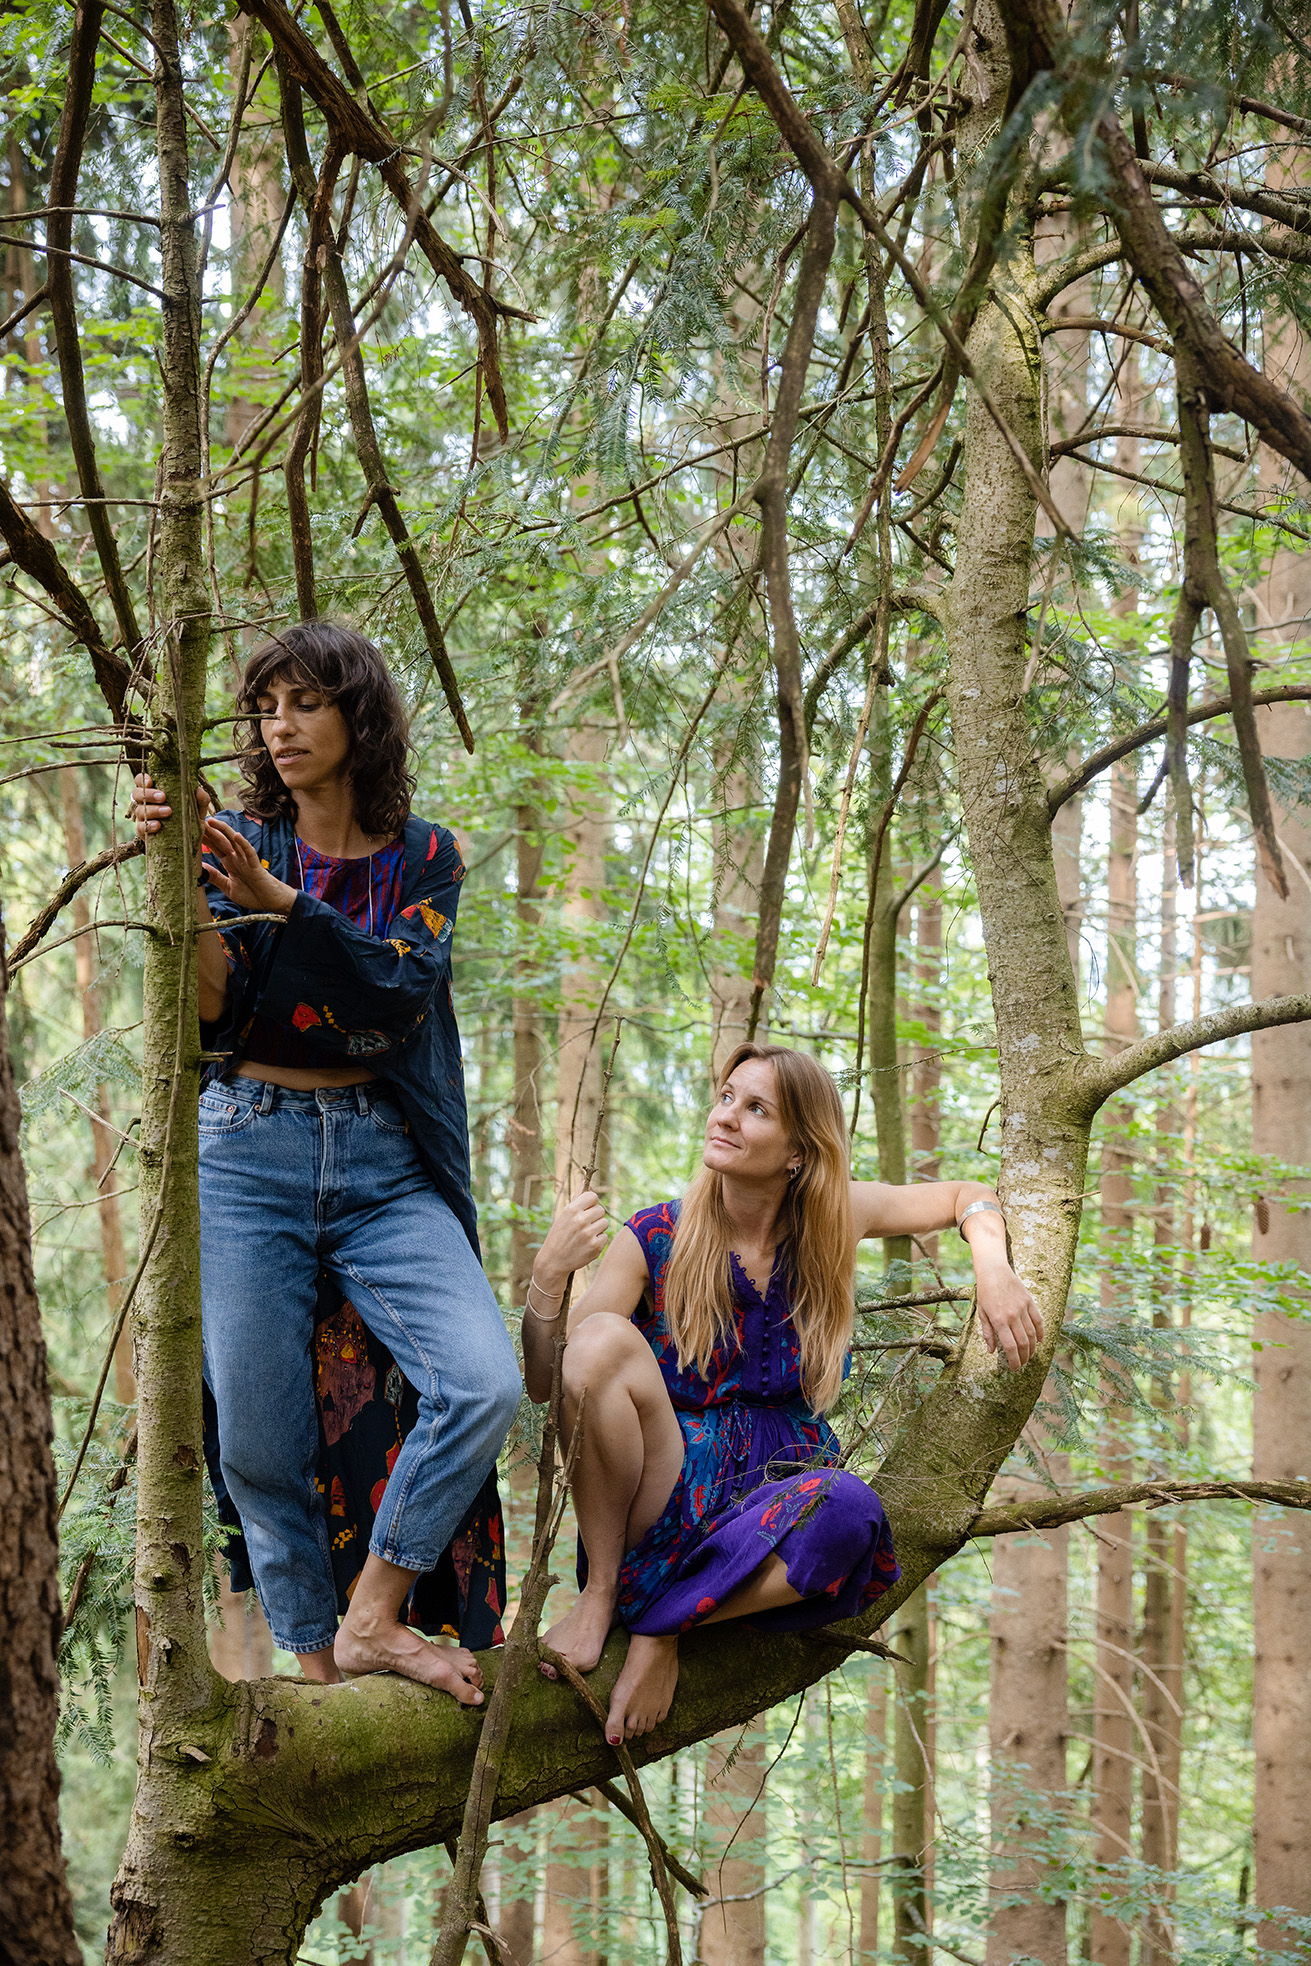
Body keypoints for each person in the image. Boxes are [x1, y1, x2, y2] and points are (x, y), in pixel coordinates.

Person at [131, 621, 521, 1701]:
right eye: (266, 708)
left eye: (306, 702)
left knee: (482, 1382)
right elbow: (218, 1006)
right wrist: (181, 875)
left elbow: (396, 988)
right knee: (258, 1438)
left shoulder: (425, 857)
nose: (281, 726)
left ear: (360, 714)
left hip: (385, 1160)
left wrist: (282, 903)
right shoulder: (239, 838)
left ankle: (373, 1615)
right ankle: (317, 1668)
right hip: (246, 1148)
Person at [523, 1042, 1043, 1746]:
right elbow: (549, 1380)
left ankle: (661, 1621)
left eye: (755, 1108)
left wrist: (994, 1267)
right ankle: (602, 1596)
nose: (726, 1116)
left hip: (775, 1498)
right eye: (726, 1097)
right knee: (597, 1341)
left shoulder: (833, 1219)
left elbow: (964, 1196)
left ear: (797, 1151)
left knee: (852, 1511)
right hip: (663, 1493)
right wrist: (548, 1277)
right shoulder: (654, 1235)